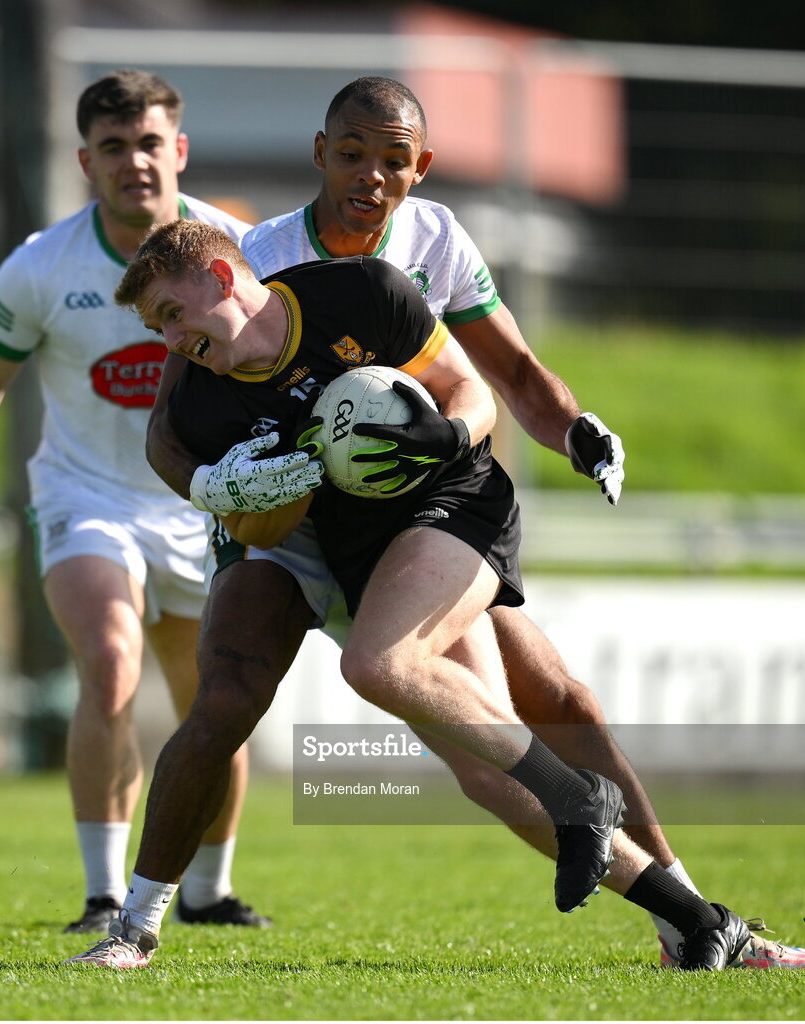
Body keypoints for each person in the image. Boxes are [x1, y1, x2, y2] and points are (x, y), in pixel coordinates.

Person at [144, 77, 805, 971]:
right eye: (352, 153)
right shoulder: (262, 253)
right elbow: (174, 415)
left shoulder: (435, 239)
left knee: (550, 709)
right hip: (293, 527)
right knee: (230, 696)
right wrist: (217, 489)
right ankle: (137, 915)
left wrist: (575, 430)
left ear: (419, 169)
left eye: (393, 160)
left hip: (413, 521)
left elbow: (505, 374)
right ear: (322, 154)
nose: (370, 175)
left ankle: (694, 921)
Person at [64, 219, 755, 971]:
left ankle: (592, 811)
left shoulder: (363, 291)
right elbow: (218, 488)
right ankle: (698, 922)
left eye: (171, 315)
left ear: (223, 280)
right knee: (447, 758)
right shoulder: (204, 400)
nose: (169, 341)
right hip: (336, 544)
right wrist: (241, 492)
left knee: (422, 675)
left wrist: (449, 436)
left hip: (446, 506)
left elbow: (474, 392)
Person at [0, 69, 274, 933]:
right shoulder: (40, 266)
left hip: (210, 504)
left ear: (178, 149)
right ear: (85, 162)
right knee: (108, 662)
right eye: (112, 147)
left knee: (215, 696)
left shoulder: (247, 251)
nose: (133, 161)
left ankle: (207, 892)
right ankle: (104, 897)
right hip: (85, 497)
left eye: (147, 143)